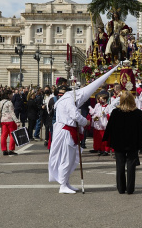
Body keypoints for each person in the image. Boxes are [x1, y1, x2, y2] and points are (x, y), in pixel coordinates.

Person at [49, 65, 118, 194]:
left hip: (68, 131)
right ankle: (63, 185)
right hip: (66, 132)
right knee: (66, 159)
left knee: (70, 159)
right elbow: (74, 115)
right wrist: (85, 121)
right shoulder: (68, 100)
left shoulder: (65, 100)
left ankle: (66, 182)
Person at [103, 90, 142, 194]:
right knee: (131, 164)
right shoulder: (137, 112)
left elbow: (109, 127)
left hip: (119, 141)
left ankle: (121, 188)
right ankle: (130, 188)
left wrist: (107, 139)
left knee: (120, 164)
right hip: (133, 142)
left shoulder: (115, 112)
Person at [0, 91, 21, 156]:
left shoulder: (0, 102)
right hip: (10, 120)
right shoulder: (9, 103)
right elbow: (12, 113)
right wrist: (17, 121)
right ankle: (11, 149)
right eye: (11, 95)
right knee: (12, 135)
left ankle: (4, 150)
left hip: (3, 120)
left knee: (3, 135)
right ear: (8, 95)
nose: (12, 96)